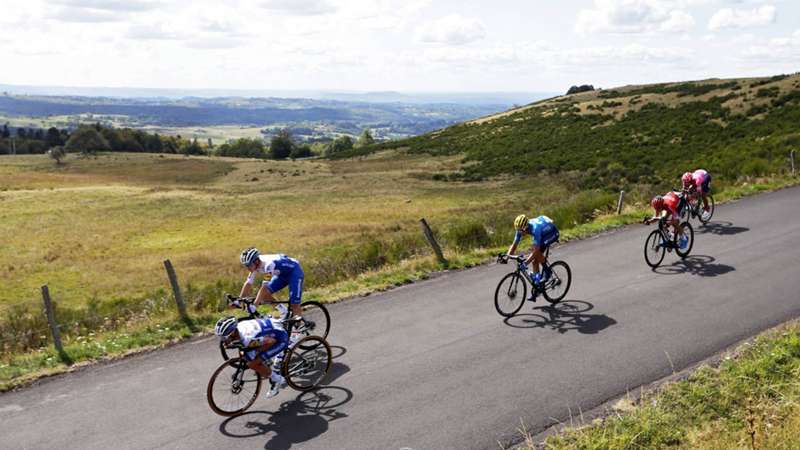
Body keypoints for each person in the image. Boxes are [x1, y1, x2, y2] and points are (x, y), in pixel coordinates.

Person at [214, 315, 288, 398]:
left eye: (224, 337)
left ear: (233, 333)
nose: (223, 340)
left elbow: (271, 341)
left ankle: (277, 379)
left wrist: (257, 352)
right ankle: (267, 364)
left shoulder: (247, 338)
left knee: (252, 363)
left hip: (280, 339)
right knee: (248, 353)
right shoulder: (240, 327)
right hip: (271, 328)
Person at [238, 247, 304, 320]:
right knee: (265, 294)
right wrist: (238, 300)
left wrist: (255, 305)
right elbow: (248, 283)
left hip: (294, 272)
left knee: (294, 304)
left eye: (249, 265)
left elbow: (264, 287)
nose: (248, 268)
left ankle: (299, 327)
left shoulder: (269, 264)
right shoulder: (255, 265)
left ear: (256, 261)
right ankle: (284, 311)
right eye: (246, 266)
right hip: (281, 274)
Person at [505, 214, 560, 301]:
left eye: (521, 231)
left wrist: (526, 263)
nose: (519, 232)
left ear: (526, 227)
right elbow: (514, 245)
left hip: (551, 233)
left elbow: (536, 250)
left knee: (536, 253)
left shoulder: (535, 229)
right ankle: (537, 288)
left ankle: (548, 271)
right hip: (543, 230)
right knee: (534, 261)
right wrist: (507, 257)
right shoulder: (520, 228)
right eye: (518, 230)